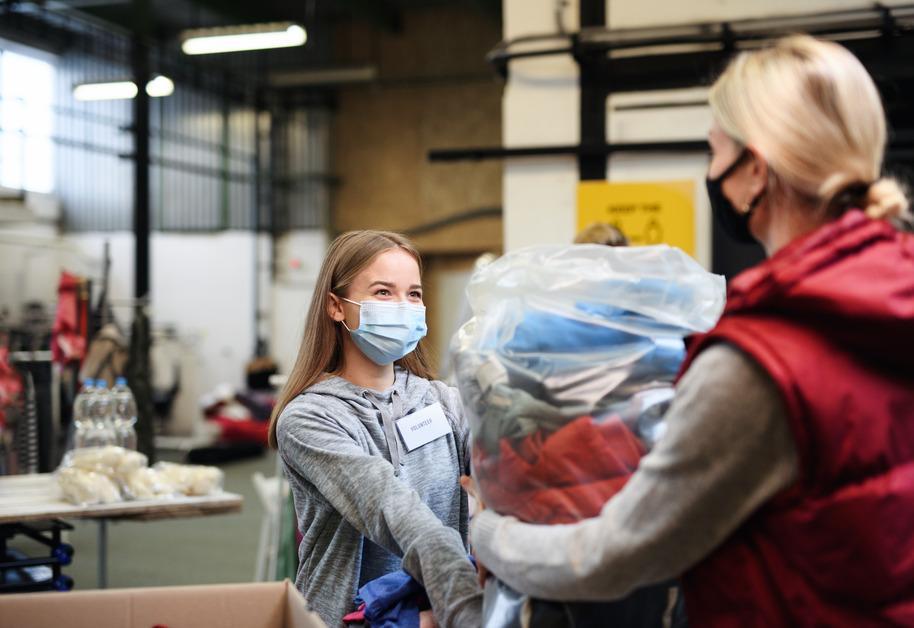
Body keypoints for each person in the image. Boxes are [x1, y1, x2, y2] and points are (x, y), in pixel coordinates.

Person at [466, 34, 914, 626]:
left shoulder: (760, 362)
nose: (711, 170)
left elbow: (611, 556)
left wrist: (489, 533)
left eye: (713, 150)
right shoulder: (890, 296)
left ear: (755, 170)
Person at [269, 230, 481, 627]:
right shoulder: (309, 419)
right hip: (351, 617)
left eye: (414, 294)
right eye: (384, 292)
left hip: (434, 612)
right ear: (336, 306)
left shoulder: (443, 402)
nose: (403, 306)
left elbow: (503, 471)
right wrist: (466, 603)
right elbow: (387, 505)